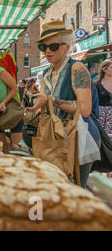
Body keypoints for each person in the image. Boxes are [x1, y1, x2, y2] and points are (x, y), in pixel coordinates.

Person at [27, 20, 101, 188]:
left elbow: (85, 109)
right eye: (43, 47)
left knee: (74, 189)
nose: (47, 51)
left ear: (67, 47)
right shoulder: (46, 72)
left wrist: (52, 101)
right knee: (58, 187)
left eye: (53, 46)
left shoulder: (78, 69)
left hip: (80, 138)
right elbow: (45, 99)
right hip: (57, 137)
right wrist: (34, 107)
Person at [95, 58, 112, 136]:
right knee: (103, 138)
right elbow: (93, 101)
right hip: (101, 115)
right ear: (104, 69)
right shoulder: (97, 84)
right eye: (111, 67)